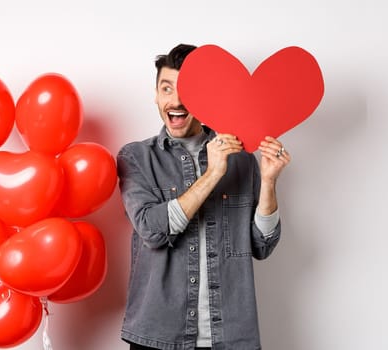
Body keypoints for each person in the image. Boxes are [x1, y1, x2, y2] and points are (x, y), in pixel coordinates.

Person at [117, 43, 290, 350]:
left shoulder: (242, 158)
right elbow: (153, 231)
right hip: (158, 337)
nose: (176, 100)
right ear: (156, 95)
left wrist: (268, 182)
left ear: (207, 97)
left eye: (187, 89)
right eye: (166, 89)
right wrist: (212, 174)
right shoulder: (136, 158)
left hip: (230, 336)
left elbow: (262, 246)